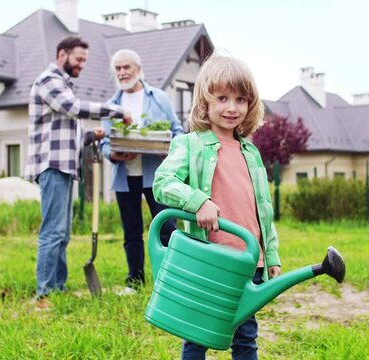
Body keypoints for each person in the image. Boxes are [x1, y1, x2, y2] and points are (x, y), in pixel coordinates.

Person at [153, 54, 282, 359]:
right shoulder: (190, 144)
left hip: (248, 260)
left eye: (241, 99)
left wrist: (271, 254)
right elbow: (163, 182)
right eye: (222, 98)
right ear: (205, 102)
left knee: (246, 335)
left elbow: (263, 210)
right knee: (197, 334)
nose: (231, 107)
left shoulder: (251, 152)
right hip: (208, 259)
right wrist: (198, 201)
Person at [26, 36, 131, 303]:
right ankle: (46, 291)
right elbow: (73, 108)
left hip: (62, 165)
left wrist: (90, 136)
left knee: (63, 232)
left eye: (85, 60)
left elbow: (64, 130)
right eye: (79, 59)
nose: (82, 65)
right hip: (51, 165)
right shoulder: (48, 80)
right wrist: (116, 111)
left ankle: (57, 287)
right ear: (62, 54)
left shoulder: (63, 85)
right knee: (53, 230)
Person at [100, 49, 184, 294]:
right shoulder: (111, 105)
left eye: (127, 67)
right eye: (118, 68)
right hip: (125, 176)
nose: (122, 72)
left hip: (156, 175)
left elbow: (176, 131)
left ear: (138, 69)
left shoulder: (158, 97)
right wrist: (113, 154)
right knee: (132, 231)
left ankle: (174, 280)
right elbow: (106, 142)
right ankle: (135, 282)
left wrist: (166, 149)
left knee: (167, 226)